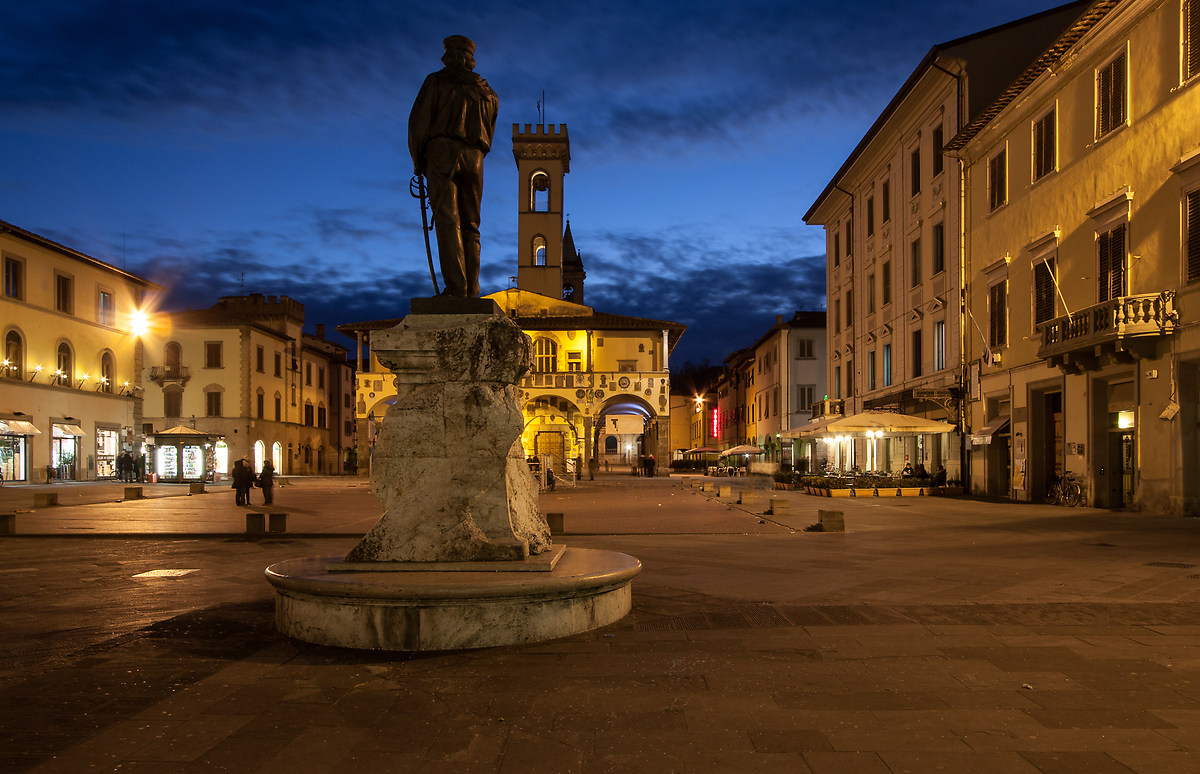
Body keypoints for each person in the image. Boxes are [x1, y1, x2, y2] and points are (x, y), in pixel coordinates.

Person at [408, 35, 499, 298]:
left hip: (442, 154)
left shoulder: (436, 82)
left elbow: (418, 125)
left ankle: (457, 289)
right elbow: (490, 132)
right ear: (470, 60)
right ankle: (472, 289)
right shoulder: (489, 93)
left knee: (448, 221)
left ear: (449, 57)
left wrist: (418, 162)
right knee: (472, 225)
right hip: (476, 159)